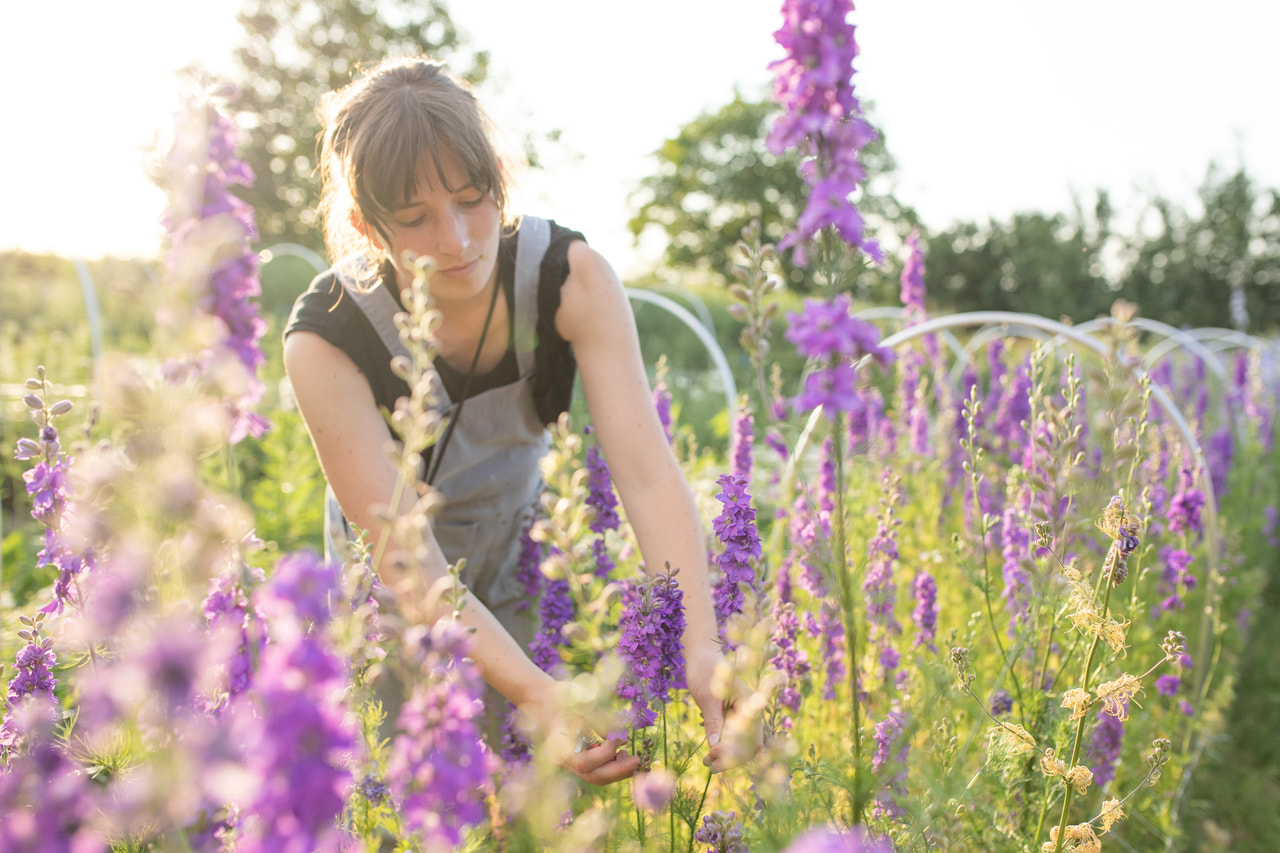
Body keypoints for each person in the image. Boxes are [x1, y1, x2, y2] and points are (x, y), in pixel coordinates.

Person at [283, 57, 743, 786]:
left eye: (473, 199)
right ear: (368, 227)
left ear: (500, 177)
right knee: (411, 794)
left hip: (525, 567)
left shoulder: (570, 278)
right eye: (415, 219)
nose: (460, 240)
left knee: (533, 802)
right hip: (396, 599)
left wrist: (701, 642)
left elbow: (649, 476)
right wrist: (535, 693)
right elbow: (407, 557)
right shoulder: (327, 338)